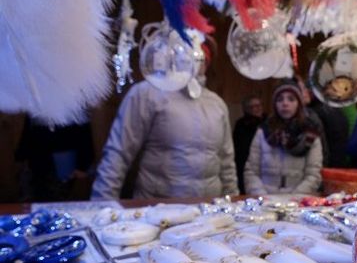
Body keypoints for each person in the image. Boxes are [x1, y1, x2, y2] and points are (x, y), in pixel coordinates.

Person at [91, 80, 238, 199]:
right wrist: (102, 205)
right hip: (157, 212)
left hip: (207, 213)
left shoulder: (216, 104)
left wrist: (233, 204)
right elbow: (118, 153)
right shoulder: (147, 93)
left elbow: (226, 162)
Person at [244, 80, 322, 195]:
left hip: (296, 203)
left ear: (298, 103)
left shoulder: (310, 134)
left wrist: (294, 199)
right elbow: (251, 171)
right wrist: (261, 196)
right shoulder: (263, 131)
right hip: (265, 201)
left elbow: (313, 174)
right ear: (275, 104)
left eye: (291, 99)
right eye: (280, 99)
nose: (285, 103)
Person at [15, 115, 94, 201]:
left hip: (64, 155)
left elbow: (84, 130)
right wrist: (21, 156)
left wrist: (83, 164)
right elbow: (28, 128)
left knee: (59, 196)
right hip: (38, 155)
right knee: (38, 194)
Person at [233, 95, 266, 194]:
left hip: (264, 163)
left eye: (259, 105)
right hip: (245, 164)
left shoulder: (268, 122)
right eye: (253, 106)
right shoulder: (242, 125)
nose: (258, 108)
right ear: (246, 109)